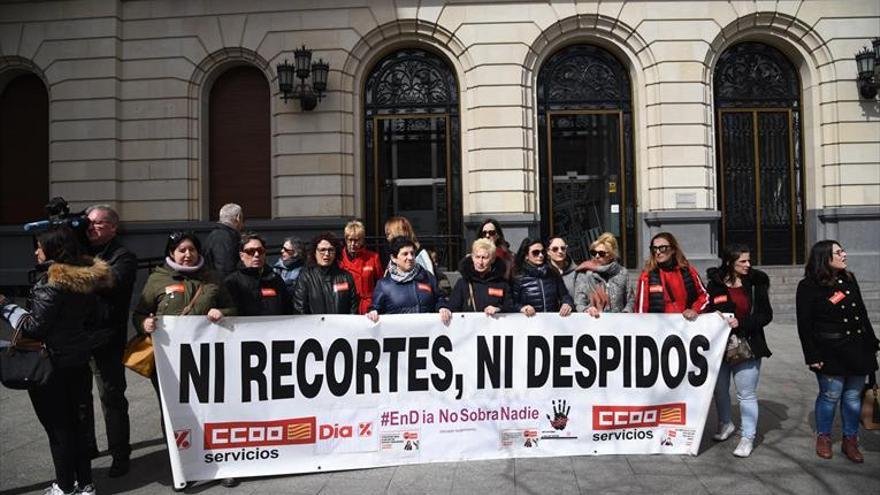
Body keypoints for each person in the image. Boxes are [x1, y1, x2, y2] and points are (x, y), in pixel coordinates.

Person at [0, 226, 114, 495]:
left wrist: (6, 306)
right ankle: (85, 483)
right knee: (79, 423)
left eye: (39, 246)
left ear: (53, 250)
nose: (36, 251)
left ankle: (64, 487)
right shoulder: (87, 280)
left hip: (51, 365)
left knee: (58, 428)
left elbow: (33, 327)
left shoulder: (51, 282)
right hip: (78, 361)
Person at [131, 231, 238, 488]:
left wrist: (221, 312)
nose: (187, 255)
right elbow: (140, 313)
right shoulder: (157, 279)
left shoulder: (212, 278)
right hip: (168, 363)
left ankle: (220, 463)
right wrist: (143, 323)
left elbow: (233, 309)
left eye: (191, 249)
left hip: (207, 359)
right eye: (181, 250)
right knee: (174, 412)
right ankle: (181, 466)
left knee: (212, 410)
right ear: (171, 253)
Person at [796, 240, 879, 463]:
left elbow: (861, 314)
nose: (844, 254)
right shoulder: (808, 286)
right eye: (839, 252)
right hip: (829, 352)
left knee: (853, 397)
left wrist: (872, 343)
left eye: (843, 250)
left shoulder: (849, 279)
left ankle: (850, 440)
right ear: (825, 258)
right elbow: (804, 325)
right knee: (830, 396)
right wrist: (812, 356)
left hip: (858, 349)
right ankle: (824, 437)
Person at [82, 205, 137, 477]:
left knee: (111, 398)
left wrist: (74, 266)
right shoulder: (80, 252)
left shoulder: (123, 256)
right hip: (78, 337)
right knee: (80, 397)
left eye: (99, 224)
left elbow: (106, 282)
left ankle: (120, 453)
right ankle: (88, 447)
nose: (92, 228)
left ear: (113, 227)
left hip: (107, 339)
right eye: (89, 224)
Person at [705, 244, 772, 458]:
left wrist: (741, 322)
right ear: (729, 262)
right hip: (719, 346)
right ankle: (726, 423)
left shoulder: (756, 282)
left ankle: (747, 437)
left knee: (746, 394)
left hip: (748, 344)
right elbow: (708, 308)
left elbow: (765, 315)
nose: (748, 265)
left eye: (749, 260)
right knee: (720, 389)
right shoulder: (715, 283)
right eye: (742, 261)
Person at [366, 236, 451, 323]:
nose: (410, 258)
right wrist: (373, 312)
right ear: (394, 258)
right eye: (405, 254)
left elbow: (439, 298)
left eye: (412, 253)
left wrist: (442, 307)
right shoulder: (384, 285)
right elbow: (375, 308)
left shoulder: (427, 277)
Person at [635, 232, 708, 319]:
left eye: (662, 248)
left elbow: (705, 296)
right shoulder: (647, 276)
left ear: (673, 249)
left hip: (686, 327)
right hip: (658, 329)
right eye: (654, 249)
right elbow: (641, 310)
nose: (658, 252)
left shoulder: (688, 272)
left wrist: (695, 310)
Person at [225, 233, 293, 316]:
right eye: (251, 251)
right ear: (242, 256)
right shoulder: (232, 281)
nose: (256, 255)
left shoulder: (275, 279)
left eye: (260, 251)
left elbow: (287, 309)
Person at [292, 232, 359, 315]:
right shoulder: (305, 277)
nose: (327, 254)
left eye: (331, 250)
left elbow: (353, 308)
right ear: (314, 253)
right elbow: (299, 309)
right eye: (322, 250)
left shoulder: (346, 277)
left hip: (341, 327)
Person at [448, 238, 514, 315]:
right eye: (477, 257)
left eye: (484, 258)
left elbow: (510, 308)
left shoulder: (502, 284)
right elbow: (452, 308)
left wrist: (498, 309)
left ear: (492, 259)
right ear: (472, 257)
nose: (480, 262)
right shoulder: (463, 283)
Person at [510, 238, 573, 317]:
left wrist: (567, 303)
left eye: (543, 252)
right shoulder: (518, 276)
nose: (540, 255)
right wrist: (522, 308)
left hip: (551, 322)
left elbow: (565, 295)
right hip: (528, 323)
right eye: (535, 253)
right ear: (526, 256)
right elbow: (510, 302)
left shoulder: (553, 273)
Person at [574, 233, 634, 316]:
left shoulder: (622, 272)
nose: (597, 256)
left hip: (618, 324)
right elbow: (579, 302)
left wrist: (625, 314)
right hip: (593, 322)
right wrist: (587, 310)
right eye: (594, 253)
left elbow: (630, 299)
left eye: (601, 253)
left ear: (611, 255)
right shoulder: (584, 273)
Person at [338, 220, 382, 314]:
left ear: (362, 240)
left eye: (356, 240)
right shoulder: (339, 259)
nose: (353, 244)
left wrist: (375, 306)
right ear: (346, 240)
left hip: (368, 307)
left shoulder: (373, 257)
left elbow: (380, 284)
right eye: (350, 240)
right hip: (346, 306)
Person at [203, 203, 244, 278]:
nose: (243, 224)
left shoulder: (215, 234)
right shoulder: (225, 237)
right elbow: (225, 268)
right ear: (238, 218)